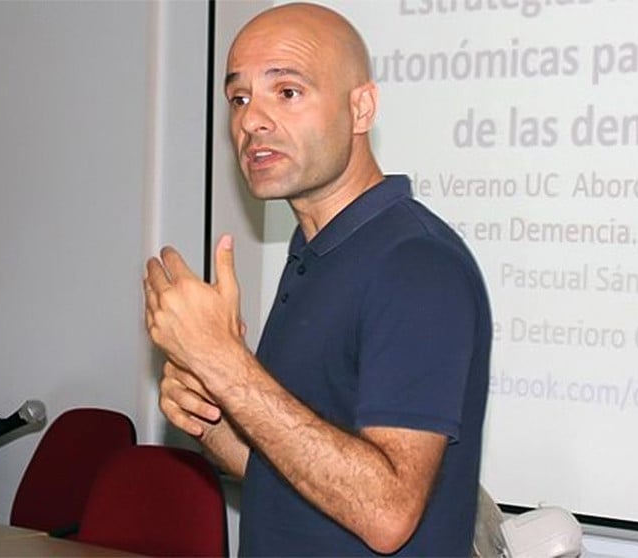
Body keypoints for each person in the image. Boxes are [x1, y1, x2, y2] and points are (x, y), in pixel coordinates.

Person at [144, 2, 492, 555]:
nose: (251, 121)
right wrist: (211, 416)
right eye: (239, 98)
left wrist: (227, 366)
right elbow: (291, 474)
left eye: (287, 92)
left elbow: (386, 513)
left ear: (361, 108)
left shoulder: (415, 263)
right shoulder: (315, 251)